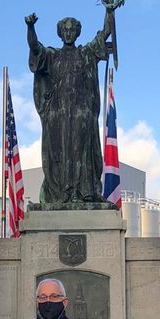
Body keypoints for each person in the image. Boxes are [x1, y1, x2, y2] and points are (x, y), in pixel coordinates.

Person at [26, 12, 113, 208]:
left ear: (77, 33)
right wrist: (30, 27)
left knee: (81, 151)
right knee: (59, 151)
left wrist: (109, 7)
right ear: (60, 33)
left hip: (81, 112)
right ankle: (62, 193)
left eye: (72, 30)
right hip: (58, 113)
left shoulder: (86, 53)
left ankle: (82, 192)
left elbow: (107, 31)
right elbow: (34, 47)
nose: (68, 33)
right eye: (65, 30)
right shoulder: (52, 55)